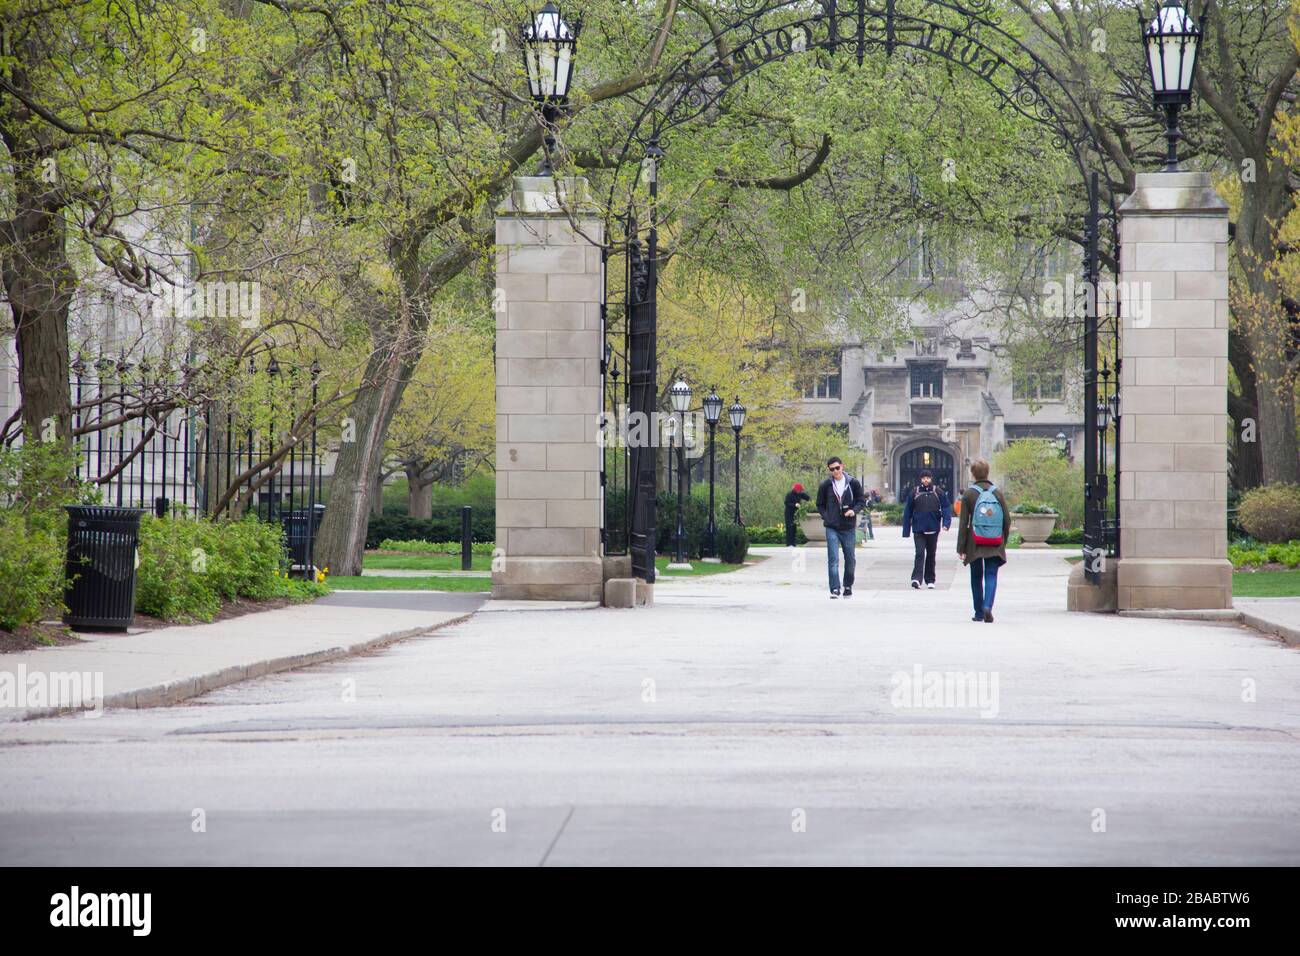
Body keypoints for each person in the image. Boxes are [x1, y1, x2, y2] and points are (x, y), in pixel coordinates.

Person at [955, 458, 1011, 623]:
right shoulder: (997, 493)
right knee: (991, 575)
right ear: (987, 472)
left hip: (975, 541)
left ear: (973, 473)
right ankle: (988, 606)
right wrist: (1003, 541)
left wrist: (961, 547)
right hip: (994, 541)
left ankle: (979, 612)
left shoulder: (969, 494)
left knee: (976, 577)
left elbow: (964, 523)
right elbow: (1006, 520)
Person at [816, 457, 866, 599]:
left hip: (848, 527)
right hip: (832, 527)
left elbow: (861, 501)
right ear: (829, 470)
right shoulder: (826, 485)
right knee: (833, 558)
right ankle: (835, 588)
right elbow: (820, 504)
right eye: (832, 469)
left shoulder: (853, 483)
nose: (835, 471)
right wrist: (827, 517)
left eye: (837, 468)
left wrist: (853, 511)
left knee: (850, 558)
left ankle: (848, 585)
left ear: (842, 466)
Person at [902, 468, 952, 589]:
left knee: (931, 554)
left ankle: (930, 579)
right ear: (921, 479)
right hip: (918, 528)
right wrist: (906, 530)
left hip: (933, 527)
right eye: (924, 478)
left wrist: (946, 523)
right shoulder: (915, 492)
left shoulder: (937, 491)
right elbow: (908, 510)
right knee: (919, 553)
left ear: (931, 479)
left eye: (928, 478)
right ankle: (916, 579)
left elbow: (946, 507)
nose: (926, 480)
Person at [783, 482, 810, 547]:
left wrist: (809, 503)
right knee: (789, 528)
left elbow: (808, 498)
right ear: (796, 489)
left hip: (795, 514)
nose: (800, 491)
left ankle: (793, 543)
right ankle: (789, 544)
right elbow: (786, 503)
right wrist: (795, 504)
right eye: (799, 490)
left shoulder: (800, 494)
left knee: (794, 528)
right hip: (789, 513)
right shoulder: (789, 494)